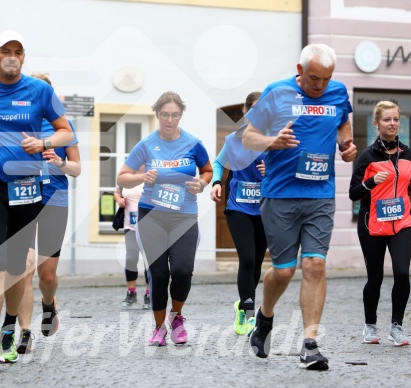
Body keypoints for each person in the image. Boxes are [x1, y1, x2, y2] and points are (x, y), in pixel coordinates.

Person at [242, 43, 357, 370]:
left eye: (326, 78)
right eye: (314, 78)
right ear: (299, 69)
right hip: (280, 194)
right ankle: (264, 319)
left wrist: (347, 146)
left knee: (315, 266)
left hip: (320, 193)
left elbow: (342, 124)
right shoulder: (276, 93)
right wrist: (271, 142)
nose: (320, 85)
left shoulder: (337, 93)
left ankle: (310, 344)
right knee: (284, 270)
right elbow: (247, 137)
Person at [0, 31, 74, 364]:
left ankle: (11, 328)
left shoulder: (40, 91)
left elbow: (67, 132)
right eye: (6, 51)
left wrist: (43, 144)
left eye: (18, 51)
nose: (12, 56)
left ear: (23, 57)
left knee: (16, 264)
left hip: (27, 184)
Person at [116, 91, 212, 346]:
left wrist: (201, 184)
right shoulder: (146, 144)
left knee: (182, 271)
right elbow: (122, 177)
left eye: (175, 115)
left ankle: (176, 316)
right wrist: (141, 177)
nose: (170, 120)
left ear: (181, 115)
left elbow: (207, 170)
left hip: (184, 217)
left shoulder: (193, 143)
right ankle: (158, 328)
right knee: (158, 274)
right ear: (157, 114)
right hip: (152, 215)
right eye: (165, 114)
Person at [349, 101, 411, 347]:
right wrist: (371, 182)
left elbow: (404, 182)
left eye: (395, 119)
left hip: (401, 221)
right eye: (386, 120)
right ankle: (370, 325)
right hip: (373, 224)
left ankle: (396, 327)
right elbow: (353, 193)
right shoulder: (366, 156)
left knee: (402, 273)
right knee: (375, 277)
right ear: (376, 124)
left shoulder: (408, 153)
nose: (392, 124)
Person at [15, 73, 81, 354]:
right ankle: (24, 333)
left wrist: (60, 162)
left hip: (55, 200)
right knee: (24, 268)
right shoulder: (17, 124)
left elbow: (77, 169)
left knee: (47, 274)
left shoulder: (63, 128)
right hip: (24, 199)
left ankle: (48, 304)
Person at [210, 91, 267, 336]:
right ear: (246, 112)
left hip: (265, 208)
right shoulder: (233, 139)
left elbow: (288, 170)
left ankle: (244, 301)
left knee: (256, 262)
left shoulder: (274, 139)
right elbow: (219, 163)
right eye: (254, 109)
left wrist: (271, 171)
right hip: (238, 206)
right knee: (247, 258)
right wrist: (216, 182)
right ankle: (248, 313)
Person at [114, 179, 150, 309]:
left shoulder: (150, 176)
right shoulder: (125, 177)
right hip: (130, 226)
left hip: (148, 227)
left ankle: (149, 294)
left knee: (148, 261)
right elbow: (117, 193)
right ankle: (131, 292)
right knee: (130, 258)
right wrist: (119, 200)